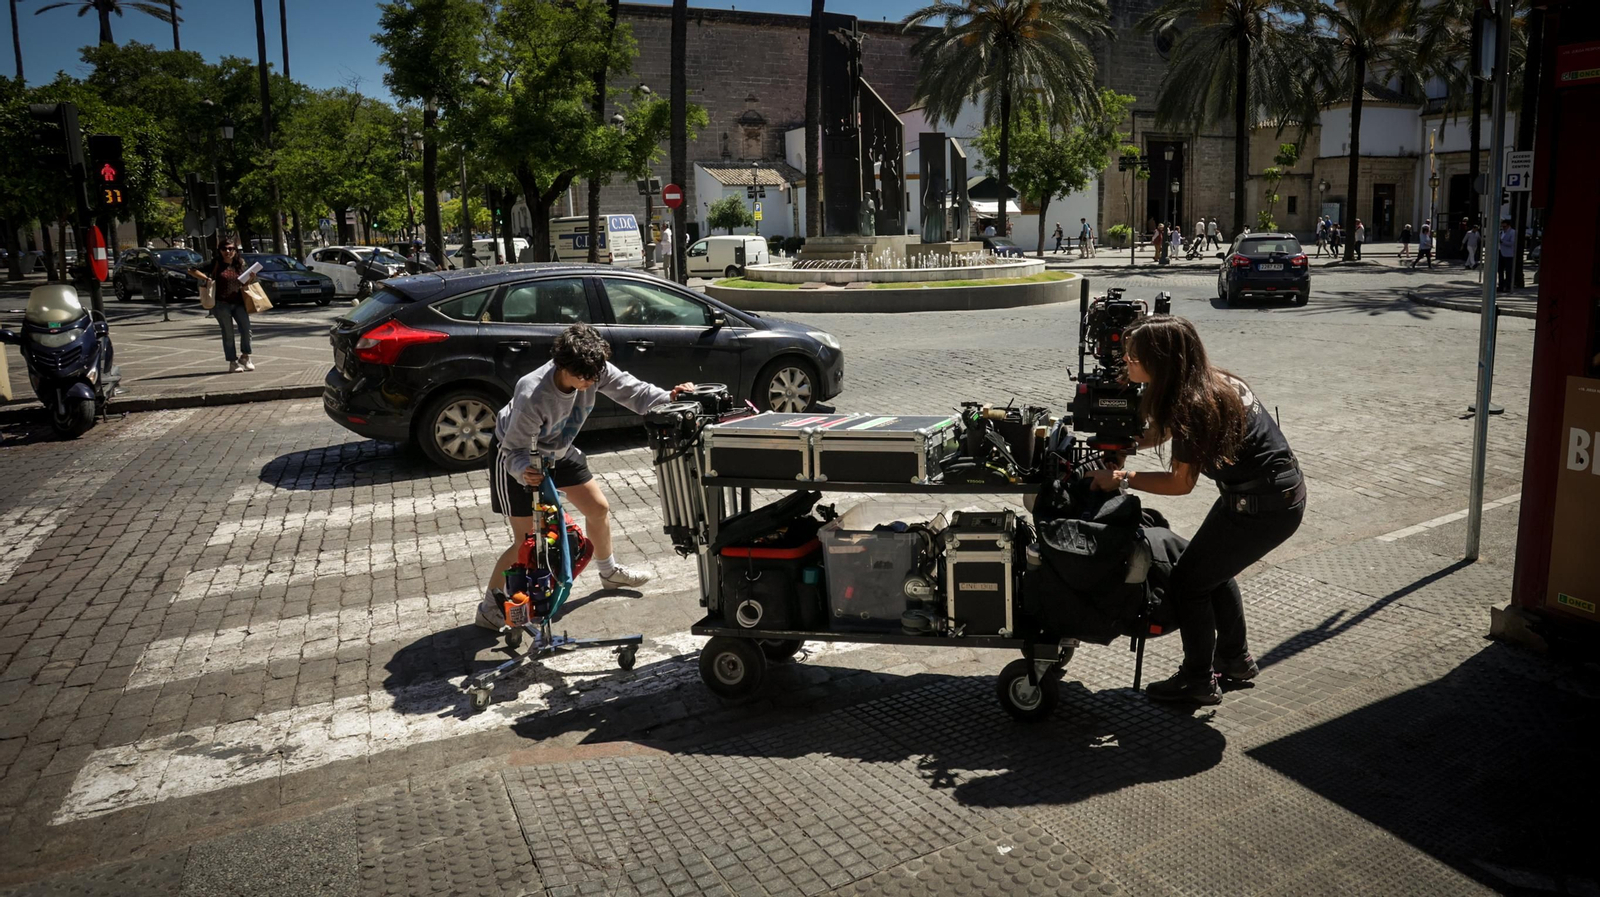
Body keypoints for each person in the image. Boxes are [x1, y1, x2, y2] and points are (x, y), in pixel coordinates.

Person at [1090, 315, 1304, 704]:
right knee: (1211, 571)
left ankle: (1197, 680)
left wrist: (1122, 477)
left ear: (1159, 360)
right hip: (1270, 495)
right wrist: (1131, 444)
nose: (1127, 364)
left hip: (1263, 507)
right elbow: (1169, 429)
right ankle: (1235, 660)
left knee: (1189, 582)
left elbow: (1179, 484)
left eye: (1133, 358)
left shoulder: (1193, 404)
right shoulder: (1210, 380)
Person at [480, 323, 696, 628]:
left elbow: (635, 392)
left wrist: (671, 400)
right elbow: (514, 448)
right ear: (562, 365)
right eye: (582, 377)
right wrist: (521, 471)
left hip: (559, 449)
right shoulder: (533, 393)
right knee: (526, 541)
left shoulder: (593, 368)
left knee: (598, 508)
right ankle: (490, 605)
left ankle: (608, 572)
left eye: (594, 376)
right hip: (519, 456)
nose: (589, 382)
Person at [187, 238, 255, 374]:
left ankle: (245, 357)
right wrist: (206, 279)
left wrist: (251, 278)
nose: (228, 251)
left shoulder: (240, 264)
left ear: (236, 251)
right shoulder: (215, 264)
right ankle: (232, 362)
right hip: (221, 304)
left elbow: (246, 284)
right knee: (228, 333)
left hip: (239, 302)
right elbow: (191, 269)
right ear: (220, 251)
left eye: (231, 249)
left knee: (246, 330)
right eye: (225, 249)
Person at [1498, 218, 1515, 291]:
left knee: (1508, 271)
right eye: (1502, 226)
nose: (1503, 228)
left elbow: (1512, 243)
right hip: (1500, 252)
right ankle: (1501, 285)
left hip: (1508, 254)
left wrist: (1502, 242)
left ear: (1508, 226)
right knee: (1500, 270)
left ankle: (1508, 286)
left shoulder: (1512, 232)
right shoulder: (1501, 232)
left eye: (1504, 226)